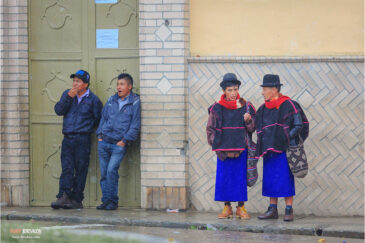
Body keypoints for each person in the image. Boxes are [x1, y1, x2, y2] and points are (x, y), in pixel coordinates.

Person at [256, 74, 307, 222]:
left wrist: (285, 139)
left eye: (265, 89)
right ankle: (272, 209)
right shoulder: (262, 109)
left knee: (285, 179)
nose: (262, 92)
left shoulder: (290, 105)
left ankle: (289, 210)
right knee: (270, 180)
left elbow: (299, 125)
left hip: (285, 150)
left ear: (274, 89)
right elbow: (256, 126)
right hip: (269, 151)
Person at [206, 73, 256, 219]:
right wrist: (218, 145)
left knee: (240, 179)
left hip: (241, 150)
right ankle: (227, 207)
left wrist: (248, 121)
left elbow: (253, 128)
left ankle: (241, 208)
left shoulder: (246, 106)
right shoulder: (216, 108)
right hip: (223, 152)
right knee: (225, 179)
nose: (233, 93)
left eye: (235, 89)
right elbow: (210, 129)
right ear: (223, 91)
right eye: (230, 90)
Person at [51, 69, 103, 209]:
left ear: (85, 84)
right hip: (68, 138)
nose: (75, 83)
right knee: (67, 168)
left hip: (83, 139)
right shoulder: (67, 94)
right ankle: (64, 196)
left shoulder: (93, 100)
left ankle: (76, 200)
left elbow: (99, 120)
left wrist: (94, 133)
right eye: (74, 80)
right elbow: (58, 110)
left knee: (81, 169)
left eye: (78, 81)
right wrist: (68, 97)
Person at [96, 73, 141, 210]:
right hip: (104, 142)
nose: (118, 87)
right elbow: (103, 118)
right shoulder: (111, 99)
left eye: (122, 84)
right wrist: (100, 135)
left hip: (118, 144)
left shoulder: (134, 102)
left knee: (111, 171)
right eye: (117, 84)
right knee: (104, 173)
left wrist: (124, 140)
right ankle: (106, 201)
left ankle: (113, 201)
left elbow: (135, 124)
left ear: (130, 86)